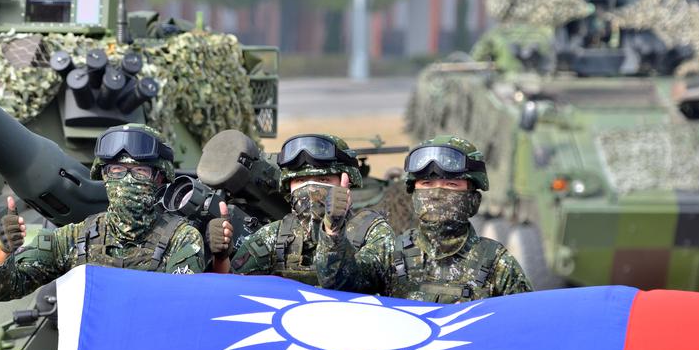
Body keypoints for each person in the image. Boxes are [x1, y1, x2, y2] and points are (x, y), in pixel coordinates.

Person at [0, 124, 205, 302]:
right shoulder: (73, 239)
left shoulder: (181, 239)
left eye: (139, 171)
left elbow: (184, 312)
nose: (125, 181)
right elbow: (2, 290)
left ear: (159, 178)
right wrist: (2, 251)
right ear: (104, 176)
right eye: (116, 171)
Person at [318, 135, 532, 303]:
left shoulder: (496, 263)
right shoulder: (392, 252)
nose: (437, 194)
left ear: (473, 200)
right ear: (413, 195)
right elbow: (337, 283)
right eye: (426, 185)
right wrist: (333, 231)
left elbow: (524, 328)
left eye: (451, 185)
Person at [209, 134, 392, 293]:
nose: (310, 189)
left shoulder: (372, 232)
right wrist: (221, 258)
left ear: (346, 183)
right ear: (289, 187)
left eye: (323, 179)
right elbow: (230, 292)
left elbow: (348, 283)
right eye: (301, 180)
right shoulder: (276, 236)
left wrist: (333, 232)